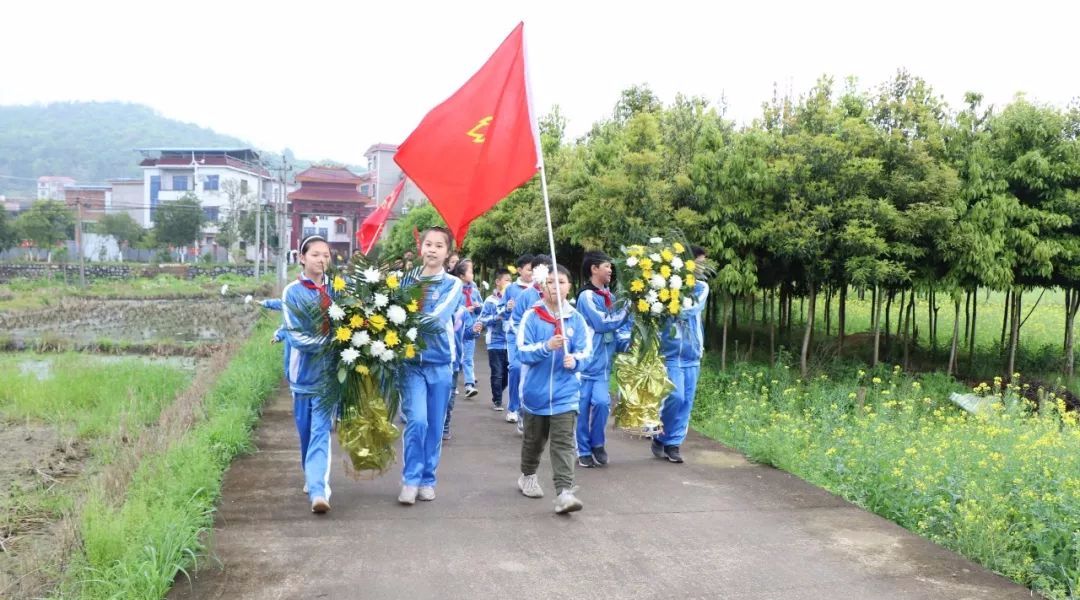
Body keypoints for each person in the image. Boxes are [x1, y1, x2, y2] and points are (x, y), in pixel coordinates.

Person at [516, 264, 592, 514]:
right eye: (550, 282)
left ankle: (564, 492)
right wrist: (546, 346)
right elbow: (522, 352)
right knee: (534, 442)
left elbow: (586, 352)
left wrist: (576, 361)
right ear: (542, 286)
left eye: (561, 281)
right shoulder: (532, 316)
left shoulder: (576, 319)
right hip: (535, 395)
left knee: (563, 443)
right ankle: (527, 474)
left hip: (565, 394)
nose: (555, 286)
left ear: (569, 287)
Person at [398, 227, 464, 504]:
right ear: (420, 247)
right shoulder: (404, 281)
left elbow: (439, 318)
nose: (433, 250)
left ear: (447, 253)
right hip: (410, 363)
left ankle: (427, 478)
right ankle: (411, 480)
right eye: (428, 244)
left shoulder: (453, 284)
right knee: (417, 421)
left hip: (440, 363)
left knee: (435, 424)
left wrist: (407, 321)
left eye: (439, 246)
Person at [279, 235, 336, 514]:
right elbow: (296, 336)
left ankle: (318, 490)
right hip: (302, 377)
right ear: (302, 258)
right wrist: (330, 342)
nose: (322, 259)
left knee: (320, 433)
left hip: (329, 379)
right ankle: (310, 475)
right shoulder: (292, 292)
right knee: (305, 434)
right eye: (315, 254)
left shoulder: (338, 290)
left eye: (326, 255)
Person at [652, 245, 709, 464]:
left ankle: (673, 444)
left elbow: (691, 309)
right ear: (687, 264)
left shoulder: (701, 287)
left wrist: (669, 305)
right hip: (671, 352)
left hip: (692, 353)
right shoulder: (664, 286)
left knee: (687, 401)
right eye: (700, 263)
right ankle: (661, 436)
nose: (703, 268)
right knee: (675, 397)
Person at [575, 252, 629, 468]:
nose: (610, 270)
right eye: (606, 266)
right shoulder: (586, 296)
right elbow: (603, 323)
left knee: (602, 403)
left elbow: (618, 329)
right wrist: (628, 309)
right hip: (584, 364)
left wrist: (626, 343)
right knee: (581, 408)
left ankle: (598, 443)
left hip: (603, 367)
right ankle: (583, 449)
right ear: (594, 269)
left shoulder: (612, 297)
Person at [443, 258, 482, 440]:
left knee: (449, 396)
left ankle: (445, 425)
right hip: (434, 358)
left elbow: (465, 334)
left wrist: (473, 330)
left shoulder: (464, 310)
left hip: (453, 358)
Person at [502, 254, 535, 426]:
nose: (532, 273)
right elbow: (502, 309)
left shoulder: (542, 290)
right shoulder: (511, 289)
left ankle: (527, 410)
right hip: (514, 334)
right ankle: (513, 407)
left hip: (533, 337)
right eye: (529, 269)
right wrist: (507, 308)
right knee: (515, 367)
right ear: (520, 270)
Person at [473, 268, 513, 410]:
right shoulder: (490, 301)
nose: (510, 282)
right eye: (507, 279)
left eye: (511, 280)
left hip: (510, 342)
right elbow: (482, 319)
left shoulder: (512, 300)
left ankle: (498, 392)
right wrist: (496, 317)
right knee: (497, 372)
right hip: (495, 342)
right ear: (498, 282)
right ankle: (497, 400)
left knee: (508, 374)